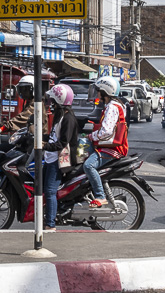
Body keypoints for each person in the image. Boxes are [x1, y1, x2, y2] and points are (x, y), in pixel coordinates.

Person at [81, 76, 128, 207]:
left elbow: (106, 132)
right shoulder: (116, 105)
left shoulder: (112, 107)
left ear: (105, 91)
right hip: (109, 145)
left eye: (98, 90)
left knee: (88, 166)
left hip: (112, 148)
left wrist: (91, 136)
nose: (97, 93)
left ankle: (100, 196)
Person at [41, 83, 79, 229]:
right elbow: (52, 135)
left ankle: (50, 224)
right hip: (50, 157)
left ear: (59, 101)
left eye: (52, 100)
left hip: (59, 160)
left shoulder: (68, 119)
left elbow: (62, 143)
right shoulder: (60, 115)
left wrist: (44, 146)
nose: (50, 103)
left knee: (50, 191)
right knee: (44, 189)